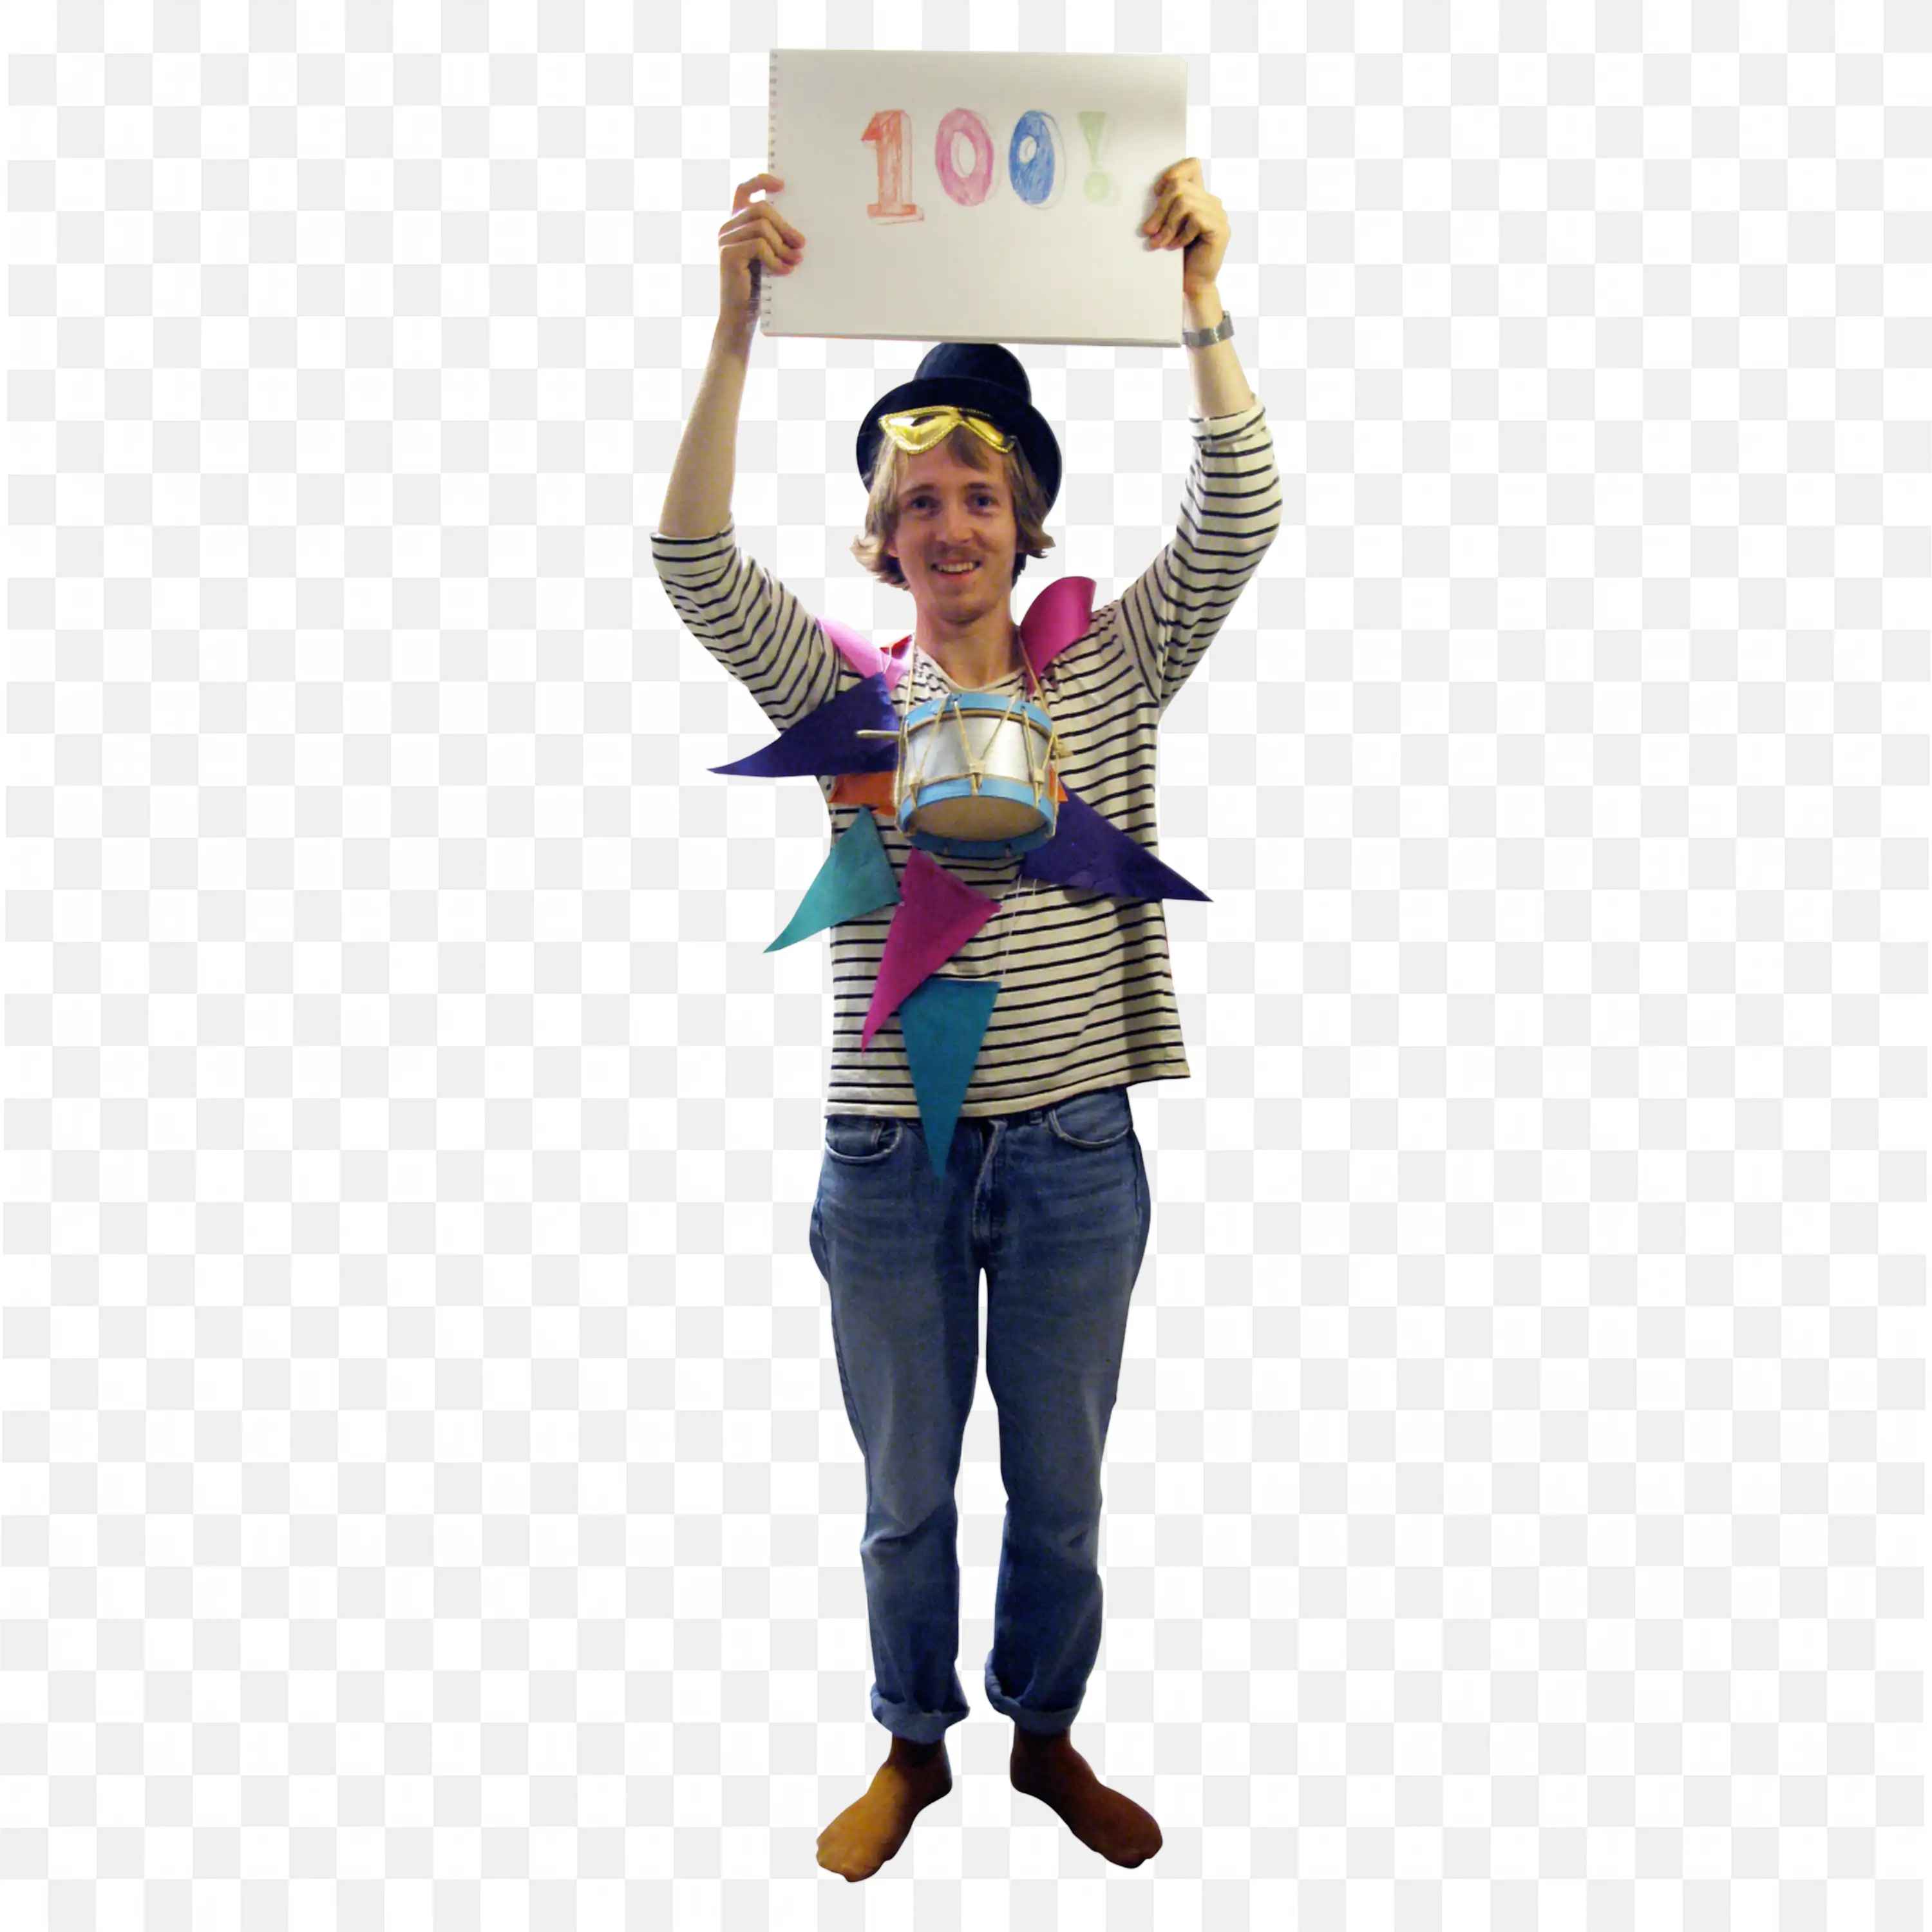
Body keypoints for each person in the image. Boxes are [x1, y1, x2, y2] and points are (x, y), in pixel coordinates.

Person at [652, 160, 1281, 1882]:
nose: (947, 523)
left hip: (1078, 1147)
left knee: (1062, 1496)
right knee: (907, 1494)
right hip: (885, 1154)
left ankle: (1050, 1734)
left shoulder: (1112, 665)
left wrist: (1203, 299)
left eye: (977, 493)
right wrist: (733, 333)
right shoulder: (844, 692)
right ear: (882, 536)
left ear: (1026, 519)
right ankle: (913, 1743)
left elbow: (1243, 508)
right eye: (915, 499)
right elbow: (690, 557)